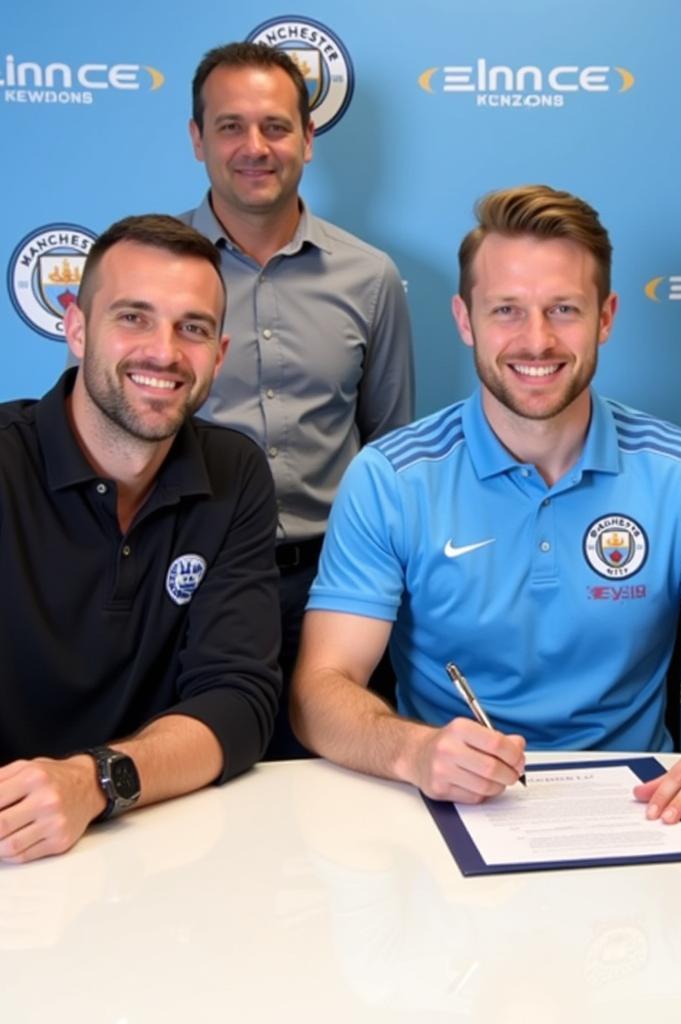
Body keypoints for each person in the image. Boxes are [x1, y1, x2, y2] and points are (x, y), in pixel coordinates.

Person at [291, 185, 681, 825]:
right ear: (465, 320)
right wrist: (415, 751)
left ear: (606, 316)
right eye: (506, 310)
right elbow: (320, 691)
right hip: (446, 809)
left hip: (641, 814)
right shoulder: (390, 479)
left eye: (563, 309)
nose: (536, 341)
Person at [0, 215, 281, 863]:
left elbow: (237, 701)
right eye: (133, 317)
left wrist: (93, 782)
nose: (163, 351)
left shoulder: (234, 472)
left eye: (193, 328)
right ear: (75, 328)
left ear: (219, 352)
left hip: (155, 840)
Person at [181, 41, 414, 758]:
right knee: (195, 793)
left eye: (276, 127)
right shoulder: (159, 271)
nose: (255, 147)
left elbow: (390, 449)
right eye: (230, 126)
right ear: (197, 139)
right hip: (193, 585)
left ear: (308, 140)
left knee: (346, 804)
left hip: (337, 588)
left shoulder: (372, 278)